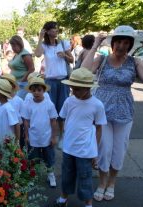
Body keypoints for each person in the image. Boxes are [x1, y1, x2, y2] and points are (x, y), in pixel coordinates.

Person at [81, 25, 143, 201]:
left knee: (119, 150)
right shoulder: (102, 59)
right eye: (118, 41)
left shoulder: (134, 62)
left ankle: (112, 182)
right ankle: (102, 182)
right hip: (102, 112)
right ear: (112, 43)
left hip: (124, 112)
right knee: (104, 149)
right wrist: (95, 45)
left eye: (125, 42)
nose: (121, 46)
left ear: (130, 45)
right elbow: (84, 72)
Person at [54, 67, 107, 207]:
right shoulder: (69, 101)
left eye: (77, 89)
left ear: (88, 88)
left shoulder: (97, 105)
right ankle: (64, 197)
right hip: (69, 147)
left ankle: (88, 203)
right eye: (72, 88)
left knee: (85, 177)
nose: (74, 91)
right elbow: (63, 119)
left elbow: (99, 128)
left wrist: (95, 152)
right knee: (66, 175)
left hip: (85, 149)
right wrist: (62, 137)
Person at [35, 21, 73, 148]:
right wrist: (40, 38)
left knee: (62, 109)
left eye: (57, 29)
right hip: (50, 81)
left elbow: (72, 59)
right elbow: (37, 54)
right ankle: (52, 136)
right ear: (47, 31)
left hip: (63, 81)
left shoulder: (63, 43)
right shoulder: (45, 45)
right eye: (53, 29)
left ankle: (62, 136)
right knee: (50, 110)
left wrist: (65, 56)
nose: (56, 31)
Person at [21, 77, 58, 188]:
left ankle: (51, 175)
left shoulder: (49, 105)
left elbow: (53, 121)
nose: (36, 92)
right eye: (34, 90)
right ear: (31, 91)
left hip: (46, 137)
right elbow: (26, 121)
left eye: (39, 90)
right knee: (33, 158)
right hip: (33, 137)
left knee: (49, 157)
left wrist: (53, 137)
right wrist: (26, 136)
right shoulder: (28, 105)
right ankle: (33, 175)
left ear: (44, 91)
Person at [0, 78, 20, 145]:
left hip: (8, 143)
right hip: (0, 140)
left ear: (0, 93)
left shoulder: (8, 108)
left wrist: (16, 142)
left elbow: (16, 124)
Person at [0, 74, 24, 147]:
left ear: (13, 86)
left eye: (8, 84)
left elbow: (23, 116)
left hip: (18, 128)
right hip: (4, 127)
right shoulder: (1, 101)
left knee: (17, 148)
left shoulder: (19, 100)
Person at [8, 35, 35, 99]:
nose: (13, 48)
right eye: (12, 46)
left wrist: (22, 81)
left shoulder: (25, 54)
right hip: (15, 83)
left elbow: (32, 69)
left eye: (14, 46)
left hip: (22, 84)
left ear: (20, 44)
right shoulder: (17, 54)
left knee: (19, 102)